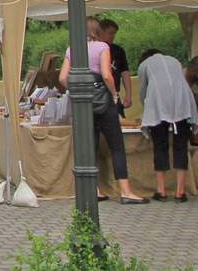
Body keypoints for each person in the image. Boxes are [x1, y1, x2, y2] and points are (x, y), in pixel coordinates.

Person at [60, 16, 147, 203]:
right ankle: (125, 191)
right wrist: (114, 94)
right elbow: (107, 75)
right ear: (97, 30)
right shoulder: (102, 47)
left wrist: (76, 90)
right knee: (116, 145)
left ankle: (95, 190)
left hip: (83, 104)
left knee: (89, 147)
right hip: (103, 103)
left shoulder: (72, 49)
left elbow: (62, 78)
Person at [137, 47, 198, 201]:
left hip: (158, 106)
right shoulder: (174, 61)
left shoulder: (144, 65)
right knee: (181, 146)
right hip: (182, 105)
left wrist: (147, 110)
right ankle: (180, 192)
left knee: (160, 146)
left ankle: (161, 191)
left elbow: (143, 91)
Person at [96, 18, 134, 113]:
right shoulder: (94, 49)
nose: (113, 36)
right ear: (101, 32)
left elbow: (125, 72)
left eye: (114, 33)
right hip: (98, 92)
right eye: (110, 33)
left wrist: (128, 94)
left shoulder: (118, 50)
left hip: (114, 92)